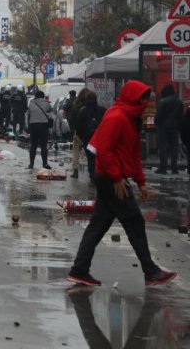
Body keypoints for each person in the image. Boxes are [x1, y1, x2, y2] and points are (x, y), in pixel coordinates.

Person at [66, 80, 177, 287]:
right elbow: (105, 150)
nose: (145, 102)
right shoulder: (116, 117)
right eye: (142, 98)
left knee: (98, 225)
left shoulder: (131, 118)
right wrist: (117, 177)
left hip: (112, 176)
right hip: (110, 177)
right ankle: (150, 271)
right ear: (132, 98)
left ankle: (79, 269)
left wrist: (141, 182)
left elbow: (132, 154)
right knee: (134, 221)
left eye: (146, 98)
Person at [74, 91, 106, 185]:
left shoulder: (83, 110)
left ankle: (92, 177)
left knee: (91, 158)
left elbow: (78, 126)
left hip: (88, 138)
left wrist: (82, 137)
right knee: (101, 157)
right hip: (101, 137)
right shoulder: (102, 110)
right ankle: (102, 176)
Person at [154, 84, 184, 174]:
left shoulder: (162, 101)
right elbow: (180, 115)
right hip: (174, 128)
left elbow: (158, 116)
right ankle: (174, 168)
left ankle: (163, 168)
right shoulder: (179, 101)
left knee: (163, 148)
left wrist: (156, 123)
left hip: (163, 128)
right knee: (174, 148)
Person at [27, 90, 52, 170]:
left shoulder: (31, 103)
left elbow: (29, 115)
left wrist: (29, 127)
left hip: (33, 126)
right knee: (43, 146)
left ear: (36, 96)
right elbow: (50, 112)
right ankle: (45, 164)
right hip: (43, 126)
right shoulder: (47, 103)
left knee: (33, 146)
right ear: (43, 96)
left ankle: (31, 164)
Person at [67, 89, 89, 178]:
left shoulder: (76, 105)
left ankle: (75, 170)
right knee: (90, 152)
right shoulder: (91, 105)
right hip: (89, 131)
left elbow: (71, 119)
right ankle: (93, 173)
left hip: (78, 131)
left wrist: (74, 129)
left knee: (76, 150)